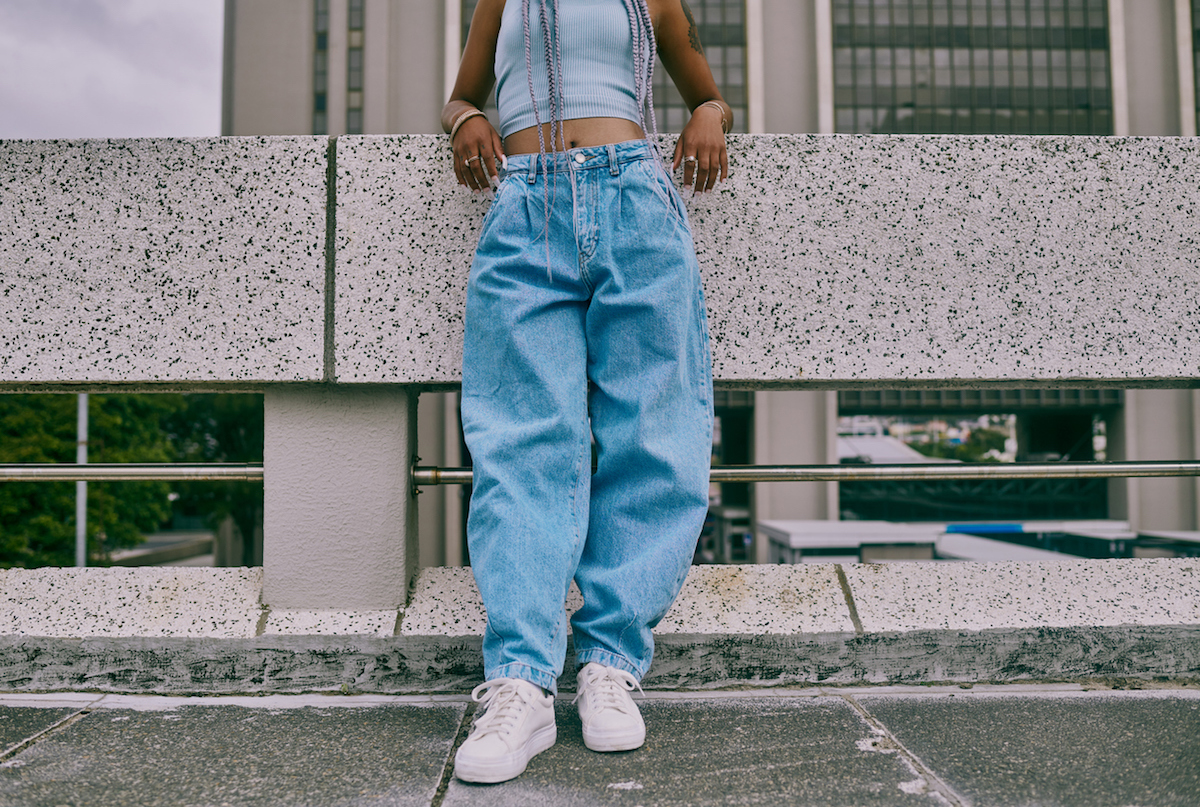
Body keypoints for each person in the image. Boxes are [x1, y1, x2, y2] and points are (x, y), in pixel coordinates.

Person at [441, 0, 731, 784]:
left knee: (654, 435)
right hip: (524, 205)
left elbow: (706, 91)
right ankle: (522, 682)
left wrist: (711, 114)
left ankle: (610, 662)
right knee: (520, 442)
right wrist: (467, 119)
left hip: (635, 197)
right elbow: (461, 94)